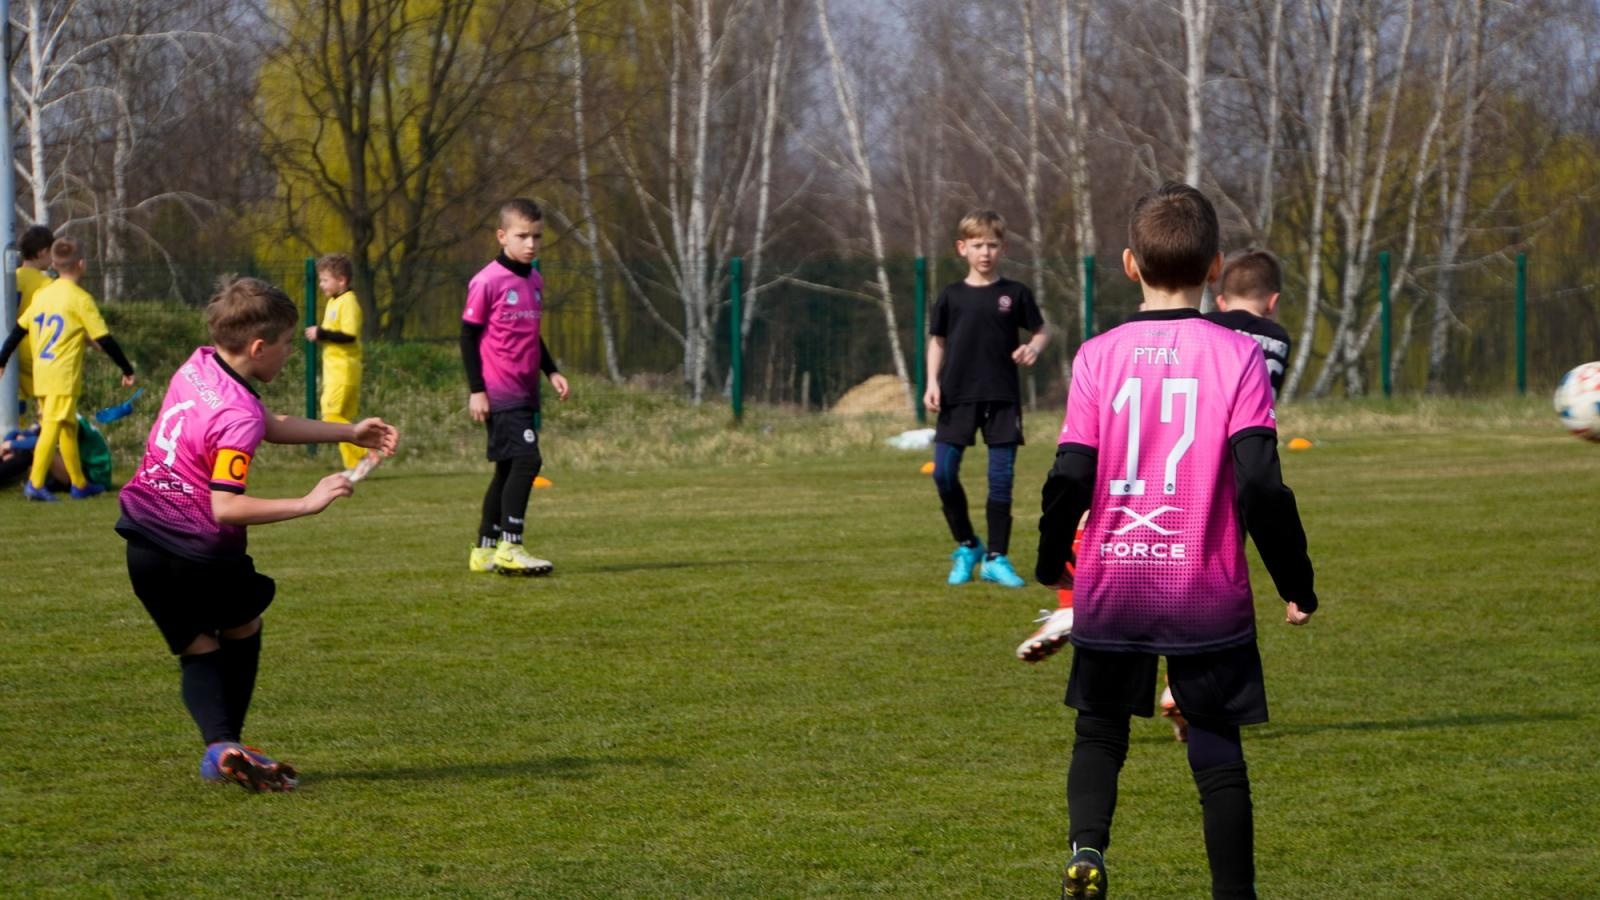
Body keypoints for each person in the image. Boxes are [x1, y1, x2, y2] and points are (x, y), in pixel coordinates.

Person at [1037, 182, 1317, 899]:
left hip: (1116, 579)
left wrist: (1051, 557)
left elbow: (1070, 472)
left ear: (1130, 263)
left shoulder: (1097, 355)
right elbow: (1261, 484)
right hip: (1203, 588)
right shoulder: (1239, 356)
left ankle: (1087, 850)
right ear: (1215, 266)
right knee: (1217, 751)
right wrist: (1295, 581)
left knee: (1100, 732)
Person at [115, 276, 398, 792]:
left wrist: (349, 431)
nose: (291, 353)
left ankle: (221, 749)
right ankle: (229, 742)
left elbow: (266, 420)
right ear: (259, 347)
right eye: (287, 343)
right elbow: (225, 505)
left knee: (199, 648)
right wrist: (307, 502)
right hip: (198, 551)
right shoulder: (238, 415)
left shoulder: (199, 365)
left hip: (143, 543)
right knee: (244, 626)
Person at [923, 210, 1048, 588]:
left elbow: (1042, 331)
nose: (985, 252)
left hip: (1001, 397)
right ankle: (968, 545)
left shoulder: (1015, 294)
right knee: (944, 473)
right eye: (977, 245)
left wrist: (1034, 347)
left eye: (992, 245)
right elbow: (937, 341)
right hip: (957, 396)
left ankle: (996, 557)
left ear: (1003, 248)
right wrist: (932, 382)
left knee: (1001, 478)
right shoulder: (951, 296)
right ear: (962, 248)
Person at [462, 198, 570, 576]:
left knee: (508, 468)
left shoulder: (534, 280)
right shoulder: (487, 281)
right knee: (527, 460)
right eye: (522, 236)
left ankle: (484, 550)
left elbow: (530, 333)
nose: (531, 244)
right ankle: (511, 546)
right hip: (499, 390)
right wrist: (477, 390)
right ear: (502, 236)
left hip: (525, 390)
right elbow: (467, 337)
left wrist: (551, 371)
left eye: (537, 237)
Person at [0, 237, 135, 501]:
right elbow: (104, 339)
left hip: (42, 373)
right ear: (81, 264)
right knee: (52, 426)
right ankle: (35, 483)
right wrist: (126, 369)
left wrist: (2, 359)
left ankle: (79, 484)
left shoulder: (43, 294)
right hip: (62, 376)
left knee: (67, 427)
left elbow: (18, 330)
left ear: (54, 263)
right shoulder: (79, 299)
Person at [303, 252, 376, 476]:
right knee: (342, 422)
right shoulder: (334, 301)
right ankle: (355, 464)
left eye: (325, 280)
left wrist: (321, 333)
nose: (321, 285)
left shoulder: (349, 302)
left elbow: (349, 335)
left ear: (341, 280)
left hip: (343, 371)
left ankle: (366, 454)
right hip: (336, 371)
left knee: (330, 417)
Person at [11, 224, 56, 420]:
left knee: (15, 399)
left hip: (11, 347)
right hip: (34, 349)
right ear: (42, 252)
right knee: (49, 403)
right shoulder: (46, 284)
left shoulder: (11, 278)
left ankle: (14, 434)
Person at [0, 416, 112, 491]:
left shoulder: (67, 419)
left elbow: (39, 442)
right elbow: (17, 434)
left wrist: (12, 444)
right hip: (79, 468)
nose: (38, 411)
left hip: (92, 479)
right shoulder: (59, 413)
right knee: (24, 447)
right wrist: (9, 444)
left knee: (37, 449)